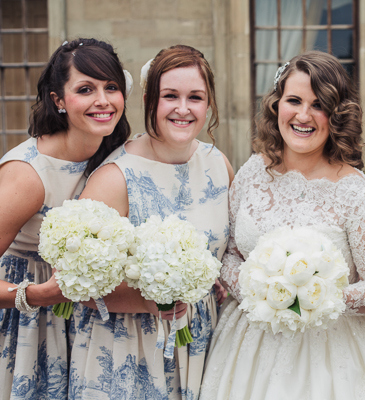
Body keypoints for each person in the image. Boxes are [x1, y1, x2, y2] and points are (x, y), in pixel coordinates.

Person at [199, 51, 365, 400]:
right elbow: (232, 255)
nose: (303, 115)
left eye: (319, 105)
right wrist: (262, 291)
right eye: (294, 101)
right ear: (276, 105)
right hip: (249, 350)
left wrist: (313, 300)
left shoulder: (358, 194)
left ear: (337, 114)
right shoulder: (252, 173)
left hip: (335, 359)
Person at [68, 45, 233, 399]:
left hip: (203, 342)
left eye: (196, 97)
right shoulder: (115, 177)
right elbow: (75, 283)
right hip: (129, 349)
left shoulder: (218, 164)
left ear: (209, 105)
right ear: (149, 100)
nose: (183, 109)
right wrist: (150, 300)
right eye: (170, 96)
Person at [0, 38, 130, 398]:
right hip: (25, 327)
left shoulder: (115, 158)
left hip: (91, 328)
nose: (102, 101)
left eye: (112, 87)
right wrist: (37, 295)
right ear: (58, 101)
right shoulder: (29, 175)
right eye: (86, 89)